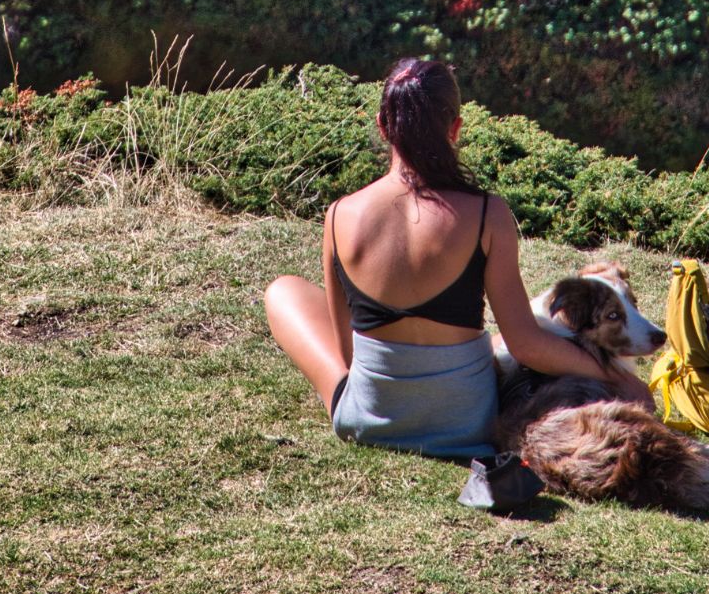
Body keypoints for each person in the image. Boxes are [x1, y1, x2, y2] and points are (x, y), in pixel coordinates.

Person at [264, 56, 655, 462]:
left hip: (368, 420)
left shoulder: (339, 214)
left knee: (283, 291)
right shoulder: (487, 214)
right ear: (455, 129)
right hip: (469, 425)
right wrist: (617, 379)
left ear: (383, 126)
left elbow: (347, 357)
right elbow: (525, 344)